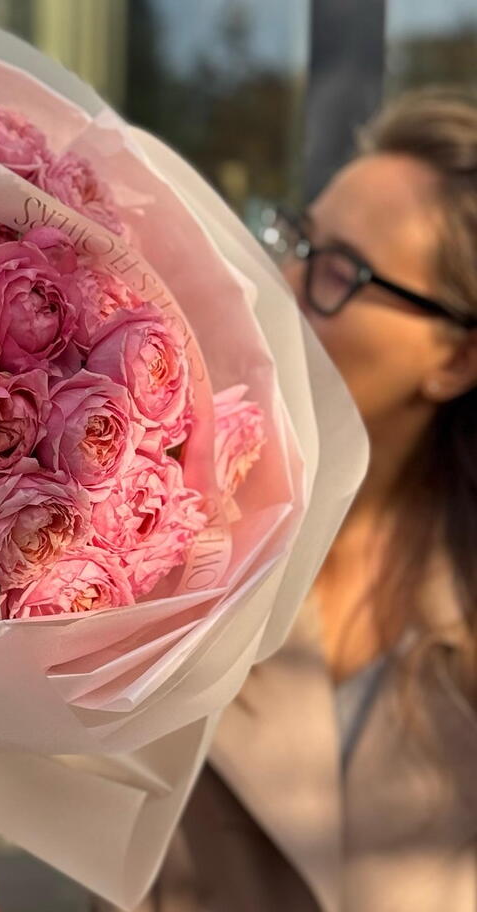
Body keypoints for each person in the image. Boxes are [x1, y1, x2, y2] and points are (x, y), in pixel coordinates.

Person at [102, 87, 477, 912]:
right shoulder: (154, 535)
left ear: (454, 360)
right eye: (296, 240)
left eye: (339, 271)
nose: (280, 284)